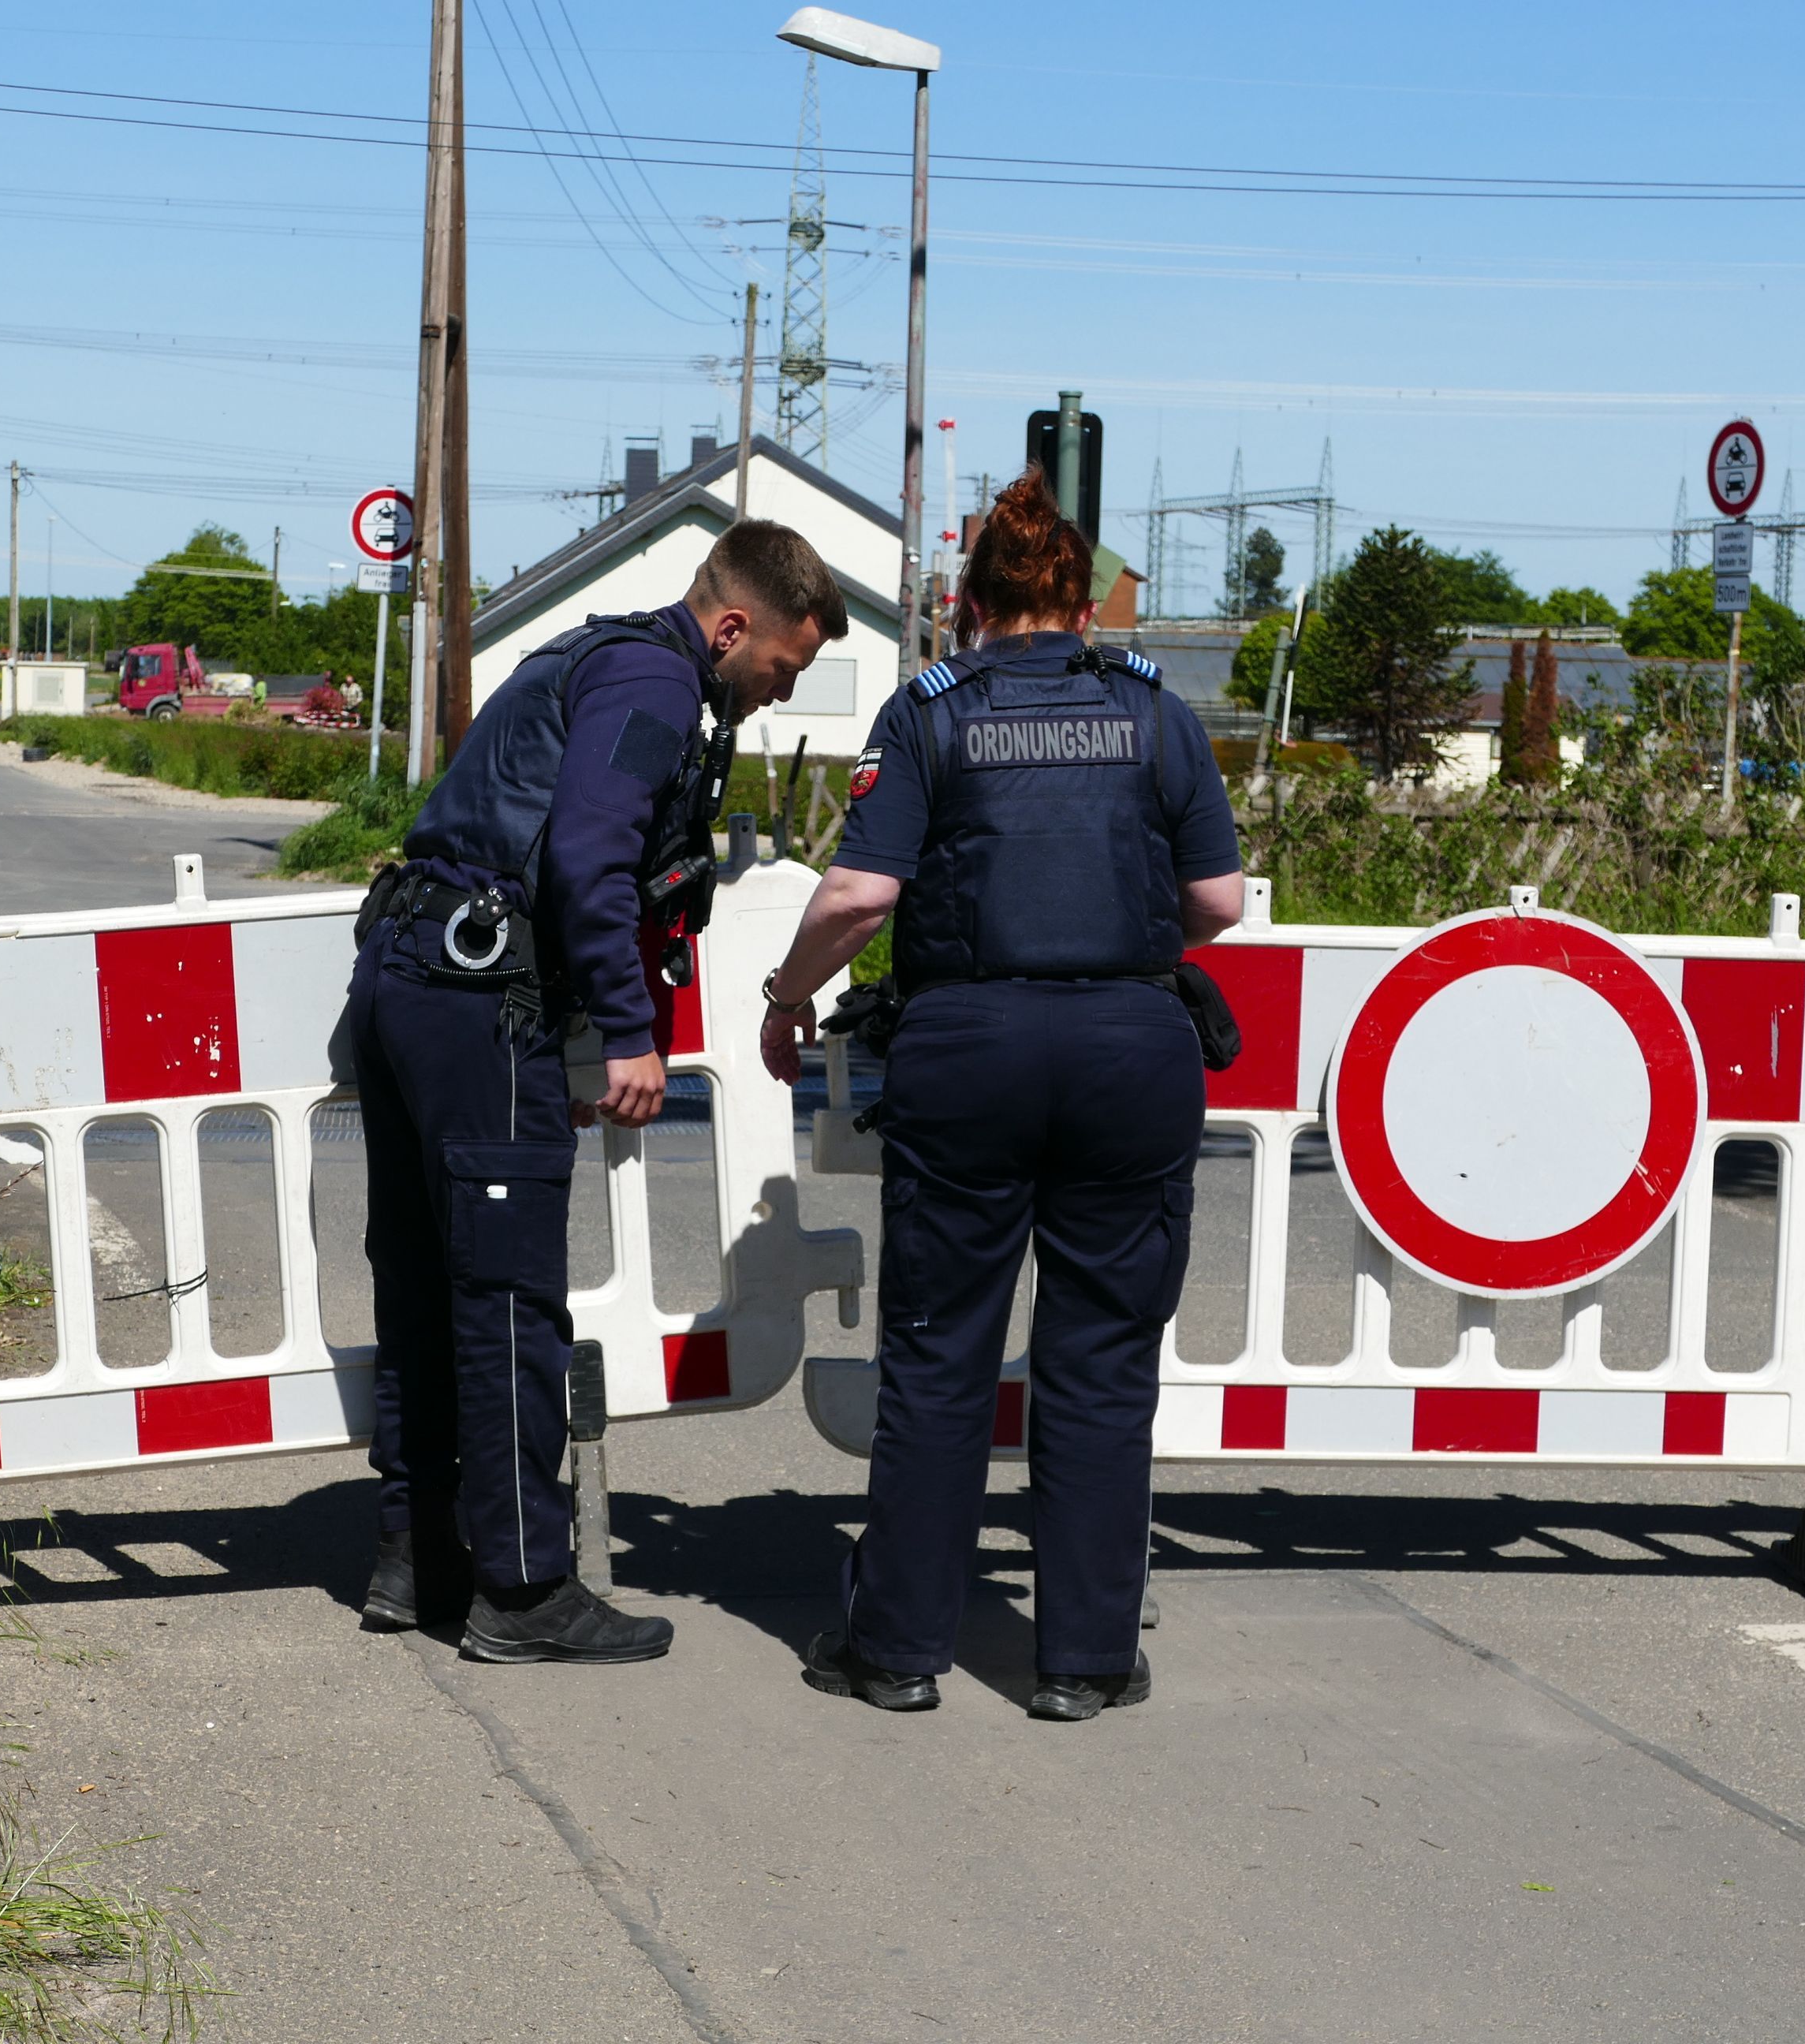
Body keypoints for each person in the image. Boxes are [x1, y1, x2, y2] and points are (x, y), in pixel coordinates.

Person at [756, 471, 1247, 1720]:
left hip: (970, 1052)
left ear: (969, 604)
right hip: (1130, 1051)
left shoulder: (932, 712)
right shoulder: (1157, 714)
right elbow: (1219, 903)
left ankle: (898, 1653)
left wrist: (787, 994)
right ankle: (1083, 1662)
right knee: (1102, 1357)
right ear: (1083, 607)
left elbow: (861, 896)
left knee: (939, 1356)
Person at [352, 520, 846, 1663]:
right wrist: (627, 1035)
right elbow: (589, 857)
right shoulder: (657, 685)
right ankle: (523, 1591)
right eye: (783, 666)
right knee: (509, 1301)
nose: (779, 693)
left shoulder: (593, 653)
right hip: (480, 998)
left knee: (425, 1285)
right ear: (733, 627)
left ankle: (416, 1558)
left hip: (415, 974)